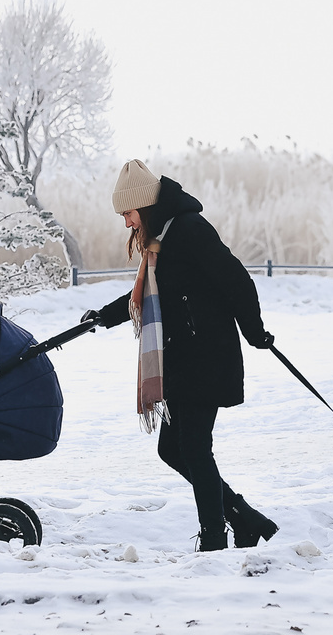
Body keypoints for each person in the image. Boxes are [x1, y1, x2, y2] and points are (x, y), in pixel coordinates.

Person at [80, 159, 279, 552]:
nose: (127, 224)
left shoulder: (189, 230)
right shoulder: (162, 240)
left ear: (146, 206)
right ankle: (243, 518)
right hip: (185, 360)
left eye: (129, 213)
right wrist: (104, 316)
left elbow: (237, 279)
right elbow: (152, 295)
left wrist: (254, 333)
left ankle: (213, 539)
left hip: (206, 357)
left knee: (192, 449)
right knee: (173, 449)